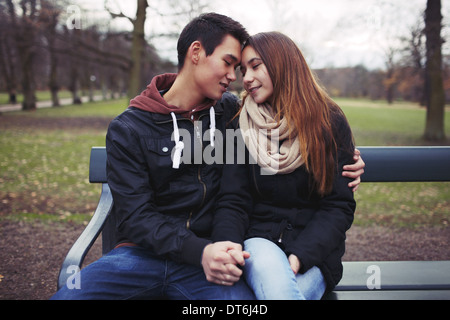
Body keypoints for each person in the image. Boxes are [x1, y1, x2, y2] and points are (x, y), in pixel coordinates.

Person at [52, 14, 363, 300]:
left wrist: (347, 159)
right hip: (141, 257)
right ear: (197, 52)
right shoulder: (129, 128)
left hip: (211, 263)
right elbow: (136, 217)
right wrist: (201, 251)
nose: (235, 77)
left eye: (239, 67)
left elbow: (283, 135)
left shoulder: (232, 114)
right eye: (229, 63)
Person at [212, 32, 357, 300]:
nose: (246, 78)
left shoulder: (330, 122)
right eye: (244, 70)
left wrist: (298, 258)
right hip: (260, 244)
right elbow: (233, 199)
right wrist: (229, 245)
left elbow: (338, 206)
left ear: (282, 65)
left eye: (256, 66)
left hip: (314, 254)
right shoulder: (241, 124)